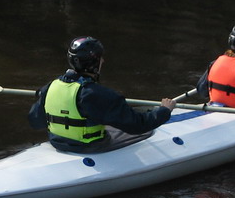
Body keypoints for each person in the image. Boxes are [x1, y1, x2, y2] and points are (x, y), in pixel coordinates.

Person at [29, 36, 176, 153]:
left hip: (58, 143)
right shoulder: (98, 95)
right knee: (143, 132)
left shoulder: (50, 87)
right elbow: (138, 125)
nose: (103, 61)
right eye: (100, 58)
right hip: (90, 147)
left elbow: (35, 122)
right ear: (94, 63)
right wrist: (164, 110)